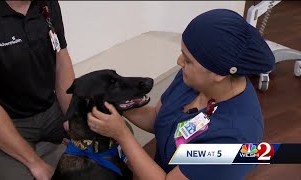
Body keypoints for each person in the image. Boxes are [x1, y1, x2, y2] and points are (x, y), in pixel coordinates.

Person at [87, 9, 275, 180]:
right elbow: (157, 118)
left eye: (188, 60)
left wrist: (122, 135)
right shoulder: (193, 79)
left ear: (219, 74)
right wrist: (118, 103)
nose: (179, 62)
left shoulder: (233, 141)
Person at [0, 1, 74, 180]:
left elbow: (61, 61)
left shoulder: (48, 4)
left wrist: (73, 117)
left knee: (107, 138)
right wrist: (35, 163)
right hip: (4, 120)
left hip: (50, 110)